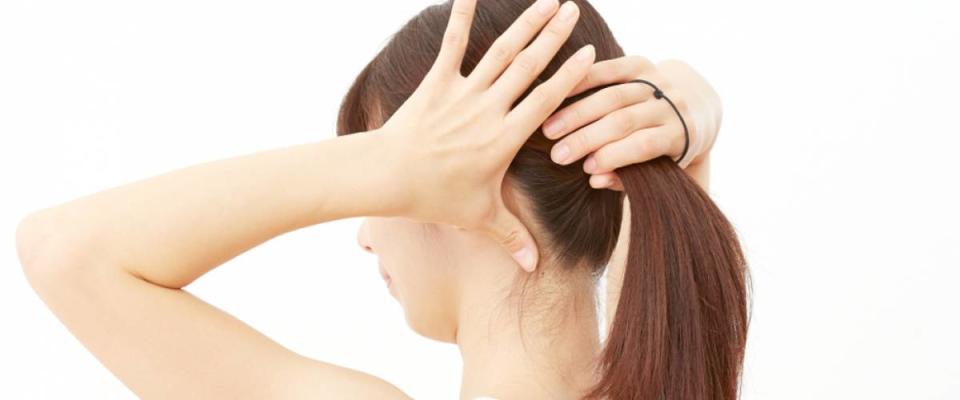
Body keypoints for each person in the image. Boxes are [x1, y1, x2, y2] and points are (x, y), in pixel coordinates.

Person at [15, 0, 745, 399]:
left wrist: (381, 162)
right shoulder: (688, 376)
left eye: (392, 178)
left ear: (460, 185)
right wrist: (695, 133)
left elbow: (65, 250)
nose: (367, 233)